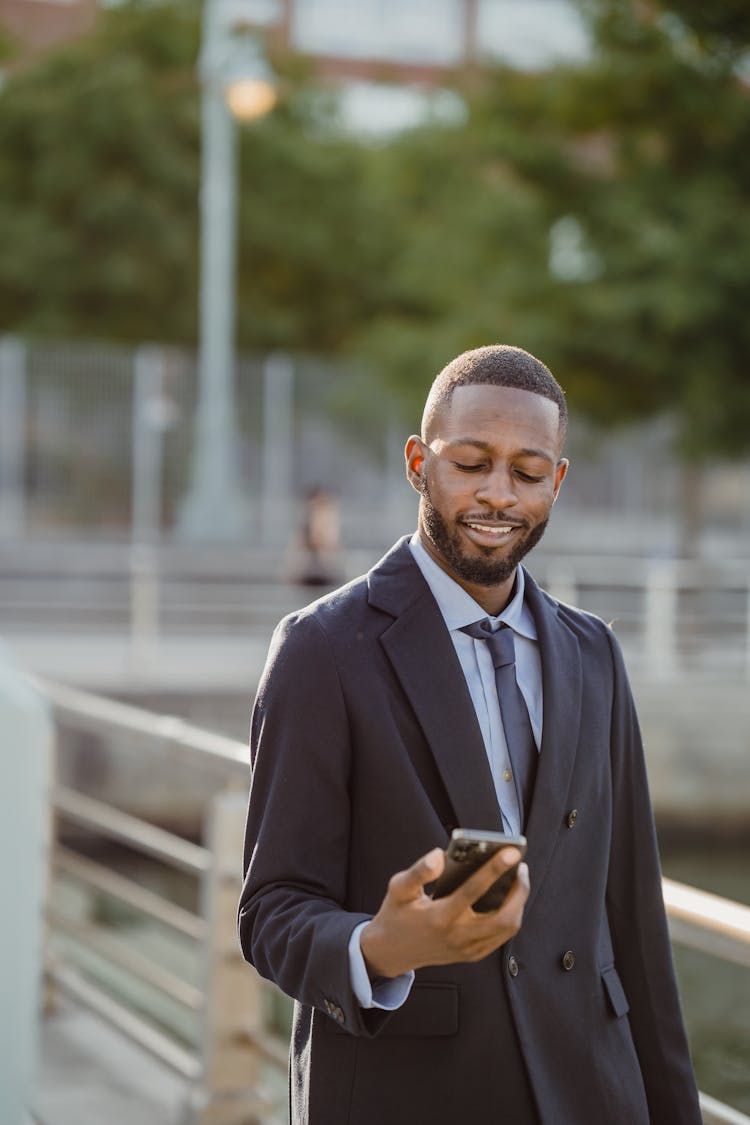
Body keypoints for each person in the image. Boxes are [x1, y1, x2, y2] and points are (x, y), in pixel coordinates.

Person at [238, 345, 701, 1125]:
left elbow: (634, 922)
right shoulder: (322, 648)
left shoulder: (595, 653)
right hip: (409, 1094)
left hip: (593, 1090)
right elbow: (272, 910)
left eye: (526, 471)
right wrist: (382, 944)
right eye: (471, 462)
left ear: (556, 481)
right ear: (420, 462)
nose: (497, 494)